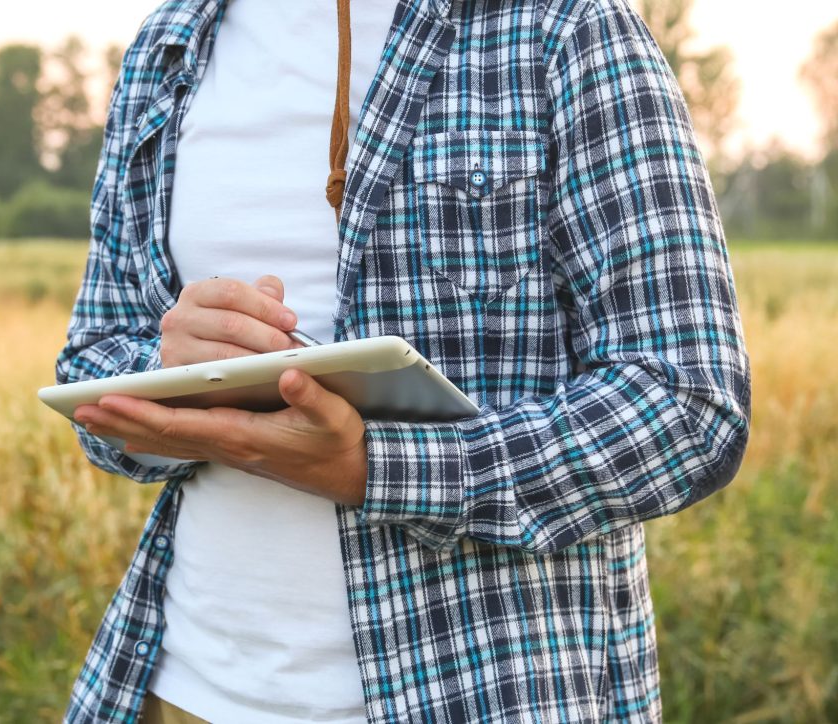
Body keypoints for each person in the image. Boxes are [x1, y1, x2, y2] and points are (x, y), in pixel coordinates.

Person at [56, 0, 751, 721]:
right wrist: (170, 369)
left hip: (488, 698)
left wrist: (373, 468)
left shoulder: (565, 23)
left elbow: (688, 405)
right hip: (189, 688)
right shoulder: (168, 44)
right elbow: (94, 365)